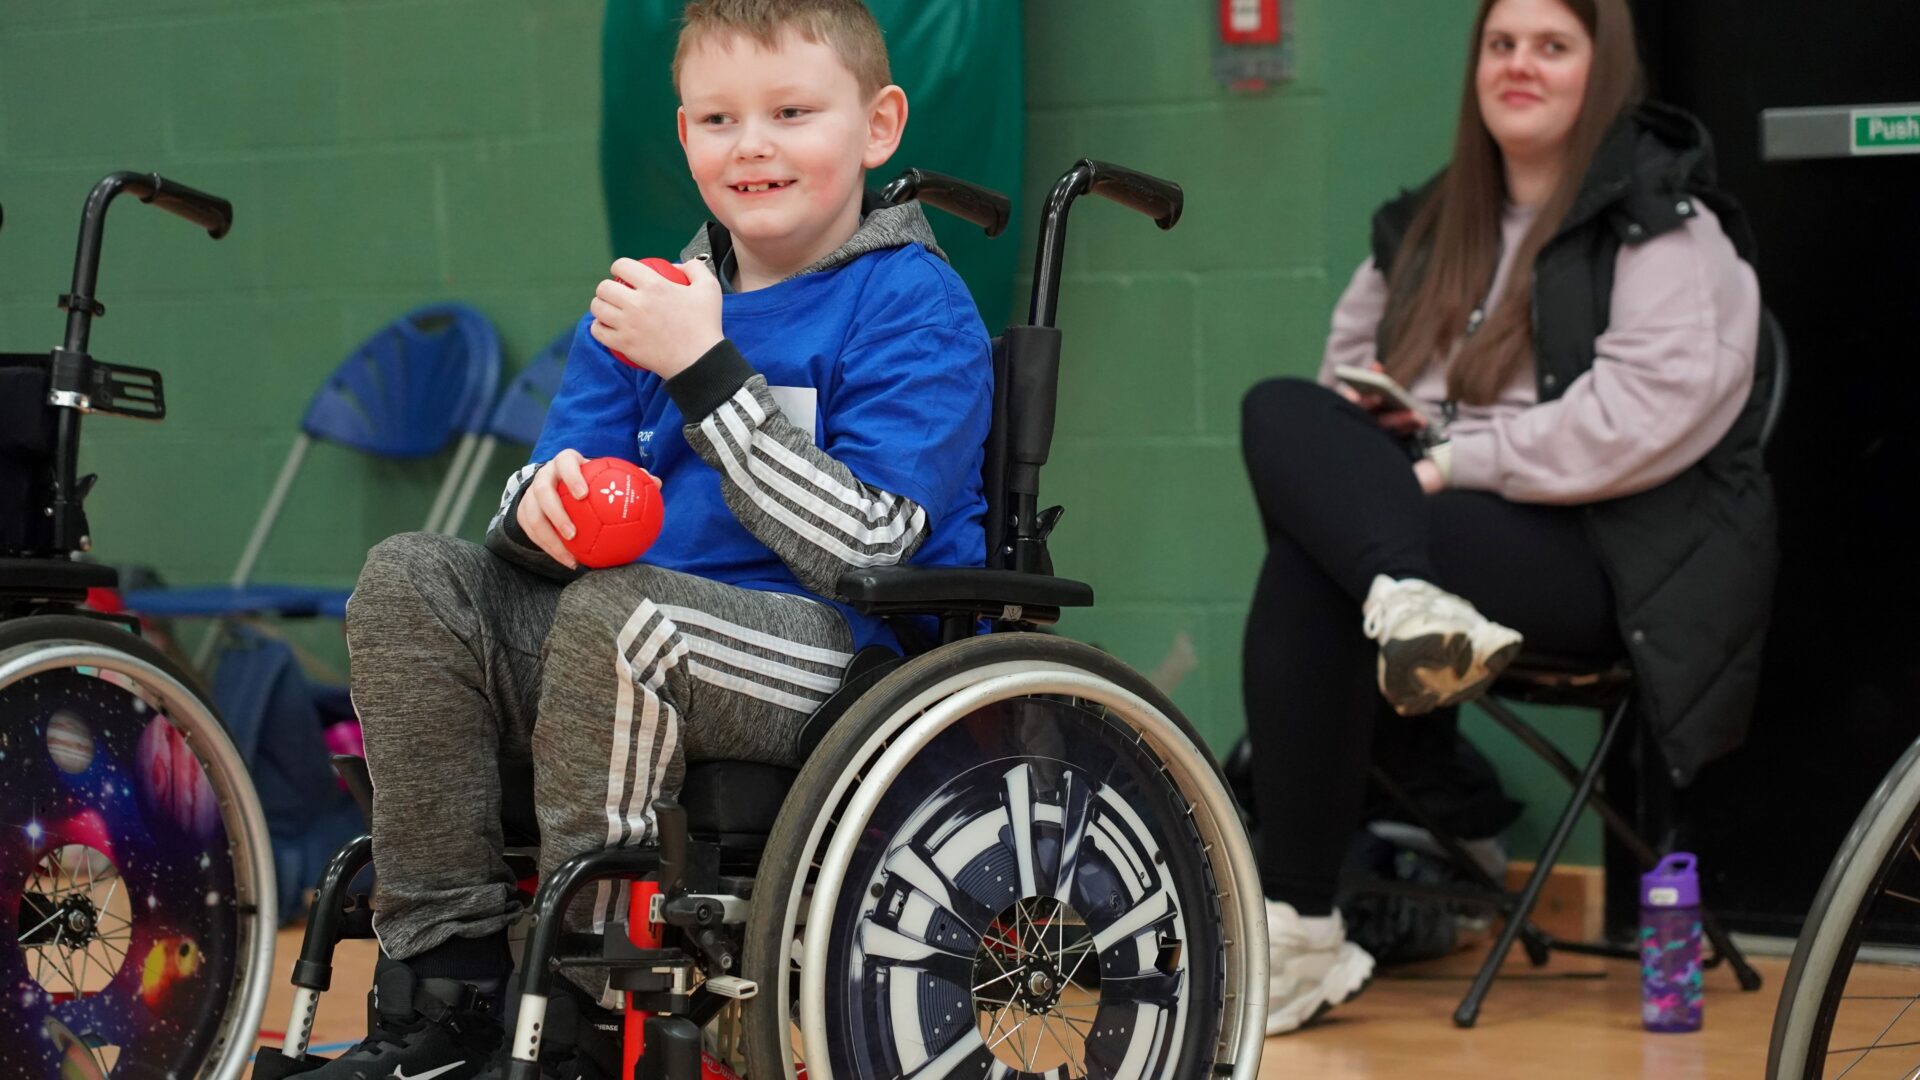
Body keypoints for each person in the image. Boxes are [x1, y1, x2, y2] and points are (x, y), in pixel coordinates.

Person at [319, 2, 994, 1076]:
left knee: (624, 617)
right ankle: (449, 982)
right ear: (684, 136)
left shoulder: (915, 304)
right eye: (719, 119)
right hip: (629, 630)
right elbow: (544, 497)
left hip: (844, 655)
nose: (752, 143)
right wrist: (536, 510)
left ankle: (581, 1010)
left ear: (878, 126)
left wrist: (705, 371)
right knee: (412, 576)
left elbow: (871, 545)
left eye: (791, 112)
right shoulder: (646, 303)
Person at [1239, 0, 1774, 1034]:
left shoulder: (1665, 224)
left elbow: (1638, 421)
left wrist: (1451, 457)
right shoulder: (1423, 229)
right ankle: (1403, 605)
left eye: (1552, 46)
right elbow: (1338, 397)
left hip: (1614, 558)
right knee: (1279, 411)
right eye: (1502, 44)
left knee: (1323, 551)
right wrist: (1390, 434)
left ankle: (1301, 921)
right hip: (1443, 539)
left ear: (1600, 69)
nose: (1520, 64)